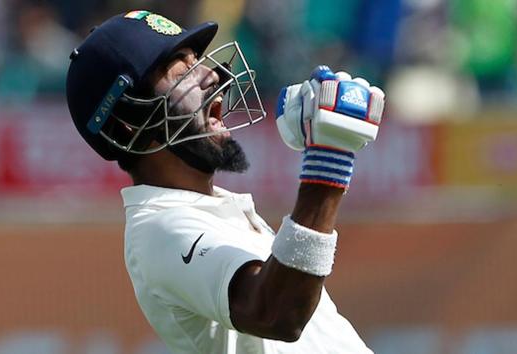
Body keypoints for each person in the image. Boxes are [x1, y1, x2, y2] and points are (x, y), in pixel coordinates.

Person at [66, 10, 384, 354]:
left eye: (197, 60)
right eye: (182, 68)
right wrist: (329, 161)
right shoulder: (161, 228)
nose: (213, 74)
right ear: (130, 120)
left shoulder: (210, 207)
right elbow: (277, 314)